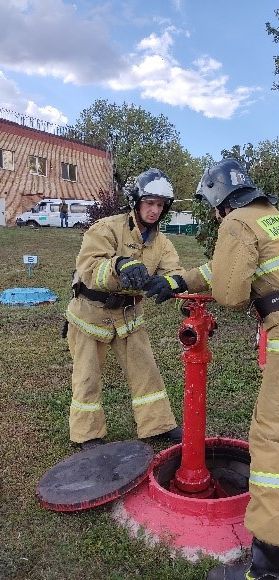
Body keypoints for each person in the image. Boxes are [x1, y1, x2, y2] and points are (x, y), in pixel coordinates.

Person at [144, 159, 279, 579]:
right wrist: (178, 282)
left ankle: (269, 562)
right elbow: (227, 269)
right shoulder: (268, 217)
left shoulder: (234, 224)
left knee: (270, 434)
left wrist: (200, 288)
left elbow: (230, 291)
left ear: (216, 200)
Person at [65, 168, 187, 451]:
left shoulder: (161, 242)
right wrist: (118, 265)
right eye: (149, 203)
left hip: (129, 316)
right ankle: (87, 434)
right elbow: (88, 268)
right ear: (136, 202)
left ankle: (157, 425)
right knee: (87, 375)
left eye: (160, 205)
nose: (154, 210)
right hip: (90, 313)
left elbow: (175, 270)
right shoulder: (106, 228)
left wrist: (170, 283)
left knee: (147, 371)